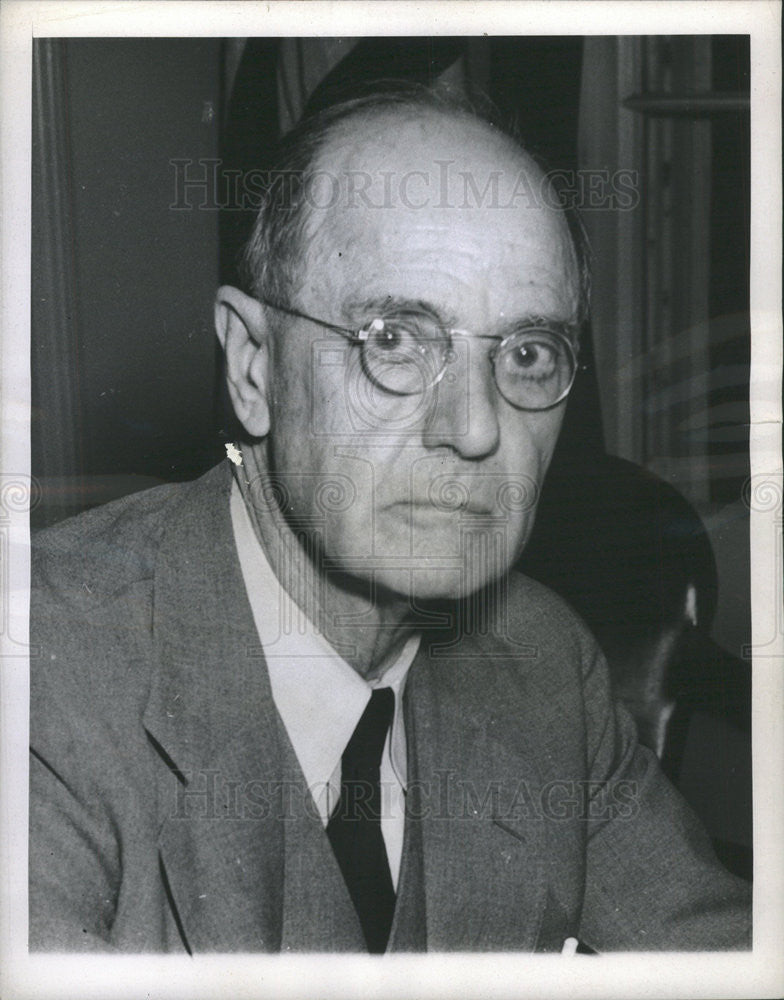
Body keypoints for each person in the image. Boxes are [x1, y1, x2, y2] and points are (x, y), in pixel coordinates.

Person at [29, 86, 751, 953]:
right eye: (396, 340)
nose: (476, 428)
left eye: (527, 354)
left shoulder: (542, 662)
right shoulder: (39, 681)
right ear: (253, 367)